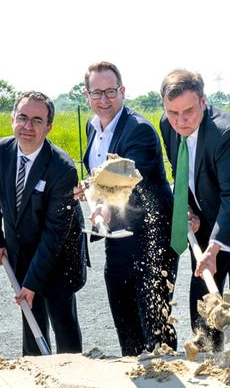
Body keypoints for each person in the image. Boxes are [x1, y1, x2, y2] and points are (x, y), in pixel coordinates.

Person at [75, 61, 177, 356]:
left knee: (155, 325)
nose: (104, 100)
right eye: (97, 93)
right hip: (116, 237)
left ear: (123, 91)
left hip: (150, 240)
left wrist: (103, 205)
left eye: (110, 91)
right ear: (86, 95)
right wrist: (89, 188)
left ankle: (166, 378)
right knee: (126, 324)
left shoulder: (139, 130)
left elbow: (127, 179)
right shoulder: (92, 128)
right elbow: (101, 175)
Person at [159, 68, 230, 351]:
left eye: (188, 112)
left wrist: (215, 247)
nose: (180, 121)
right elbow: (182, 169)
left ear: (203, 102)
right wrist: (189, 209)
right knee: (204, 301)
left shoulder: (224, 133)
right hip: (207, 217)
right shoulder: (167, 124)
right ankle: (207, 359)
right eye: (173, 112)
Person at [0, 91, 87, 356]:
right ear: (12, 119)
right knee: (31, 319)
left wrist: (32, 284)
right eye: (22, 118)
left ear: (48, 127)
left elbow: (54, 234)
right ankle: (34, 374)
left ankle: (74, 375)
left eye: (37, 120)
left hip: (60, 254)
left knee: (62, 319)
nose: (28, 126)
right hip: (22, 249)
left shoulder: (62, 168)